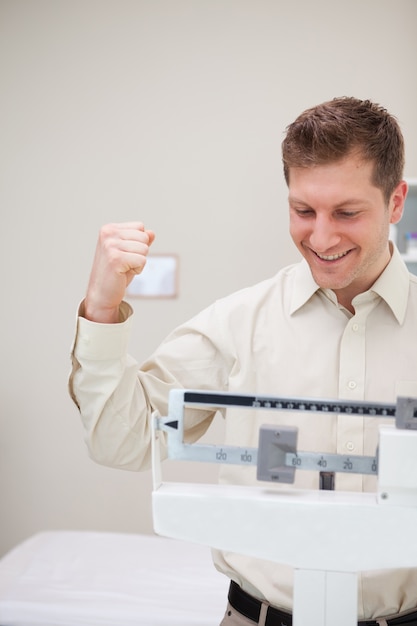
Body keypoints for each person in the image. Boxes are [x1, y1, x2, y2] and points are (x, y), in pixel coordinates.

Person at [69, 96, 417, 625]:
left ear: (396, 203)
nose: (321, 238)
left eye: (346, 212)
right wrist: (100, 307)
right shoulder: (238, 323)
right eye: (303, 211)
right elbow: (123, 441)